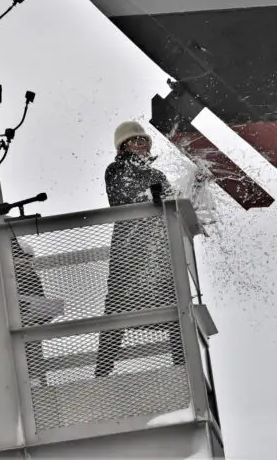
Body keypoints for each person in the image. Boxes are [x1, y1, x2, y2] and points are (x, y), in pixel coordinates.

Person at [95, 121, 184, 377]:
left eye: (145, 141)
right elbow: (120, 196)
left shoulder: (156, 175)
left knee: (174, 308)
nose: (143, 145)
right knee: (116, 311)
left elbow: (170, 201)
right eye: (137, 140)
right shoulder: (115, 169)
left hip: (156, 253)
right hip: (128, 251)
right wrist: (148, 197)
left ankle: (181, 368)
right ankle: (103, 374)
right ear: (124, 145)